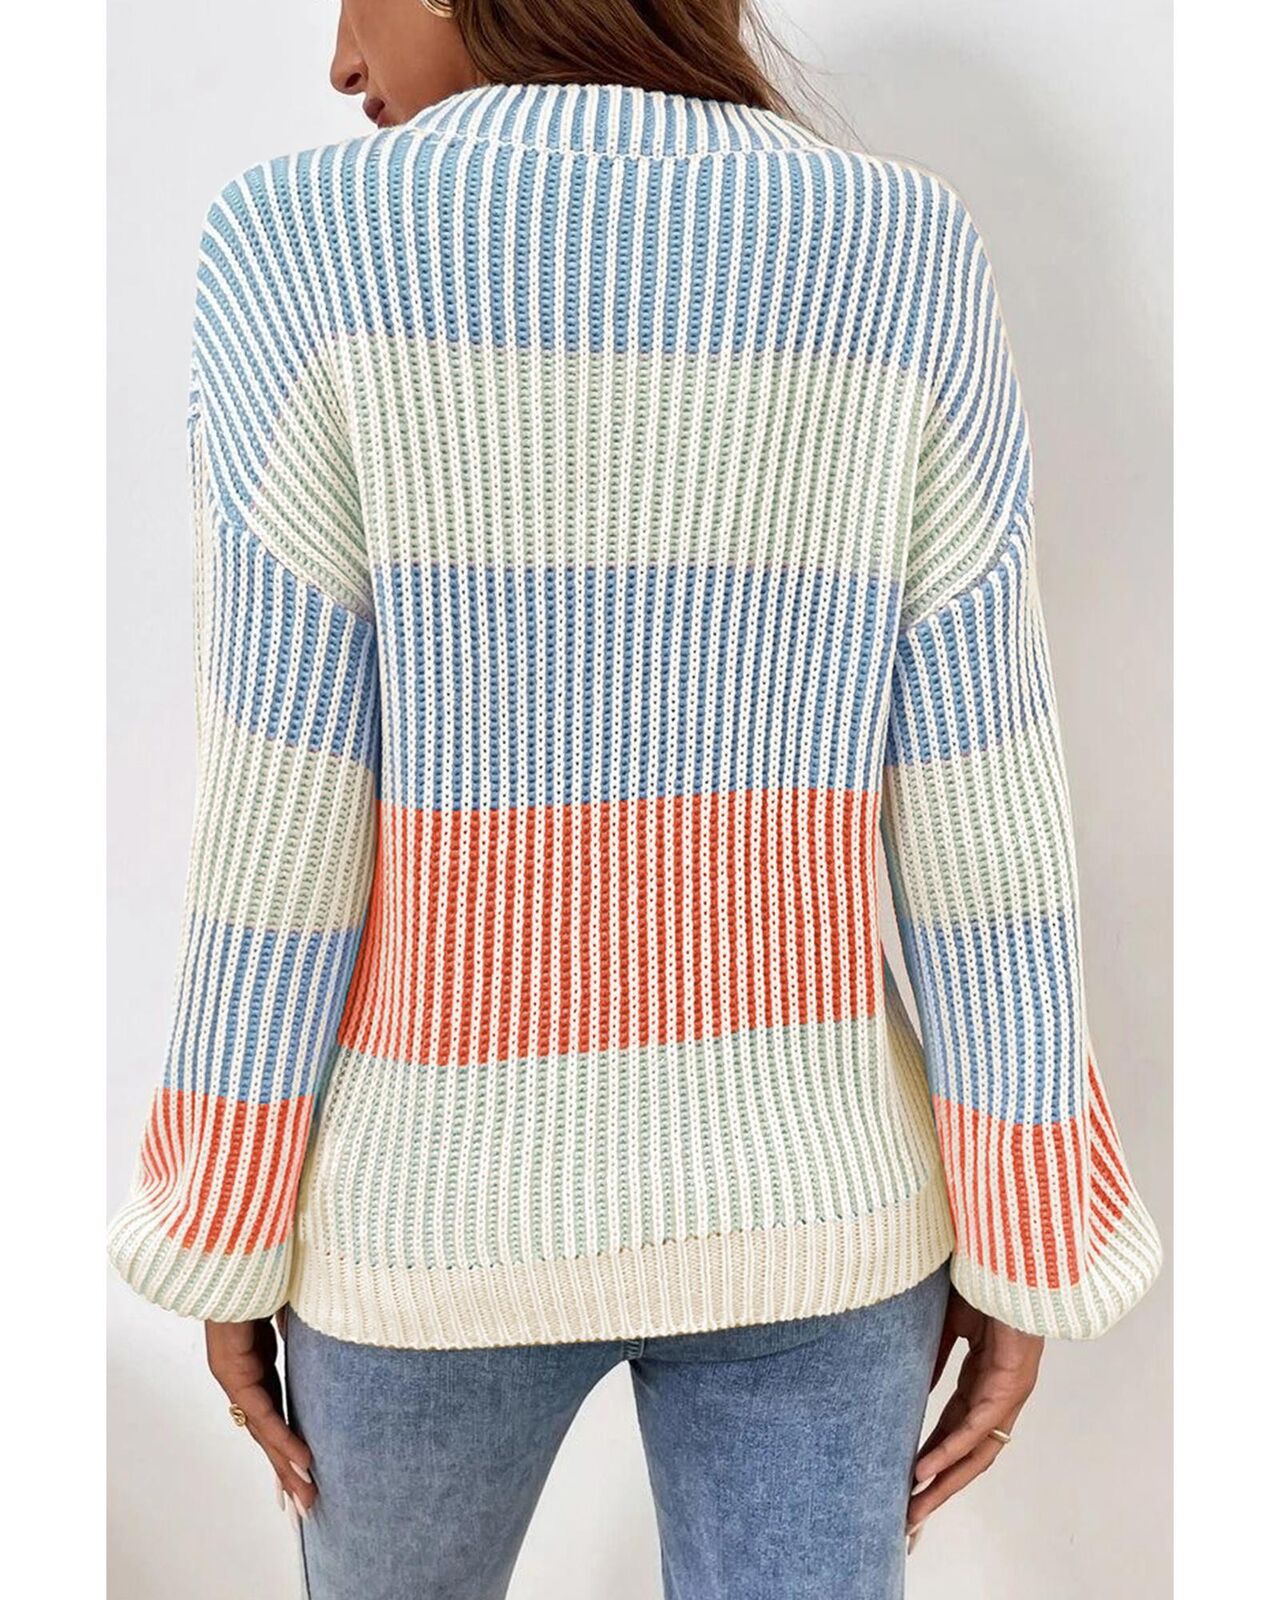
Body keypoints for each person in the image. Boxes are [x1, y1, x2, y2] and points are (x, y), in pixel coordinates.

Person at [107, 2, 1162, 1596]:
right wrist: (1030, 1227)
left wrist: (227, 1220)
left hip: (423, 1220)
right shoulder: (896, 244)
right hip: (821, 1207)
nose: (337, 61)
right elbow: (981, 787)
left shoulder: (301, 239)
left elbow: (281, 797)